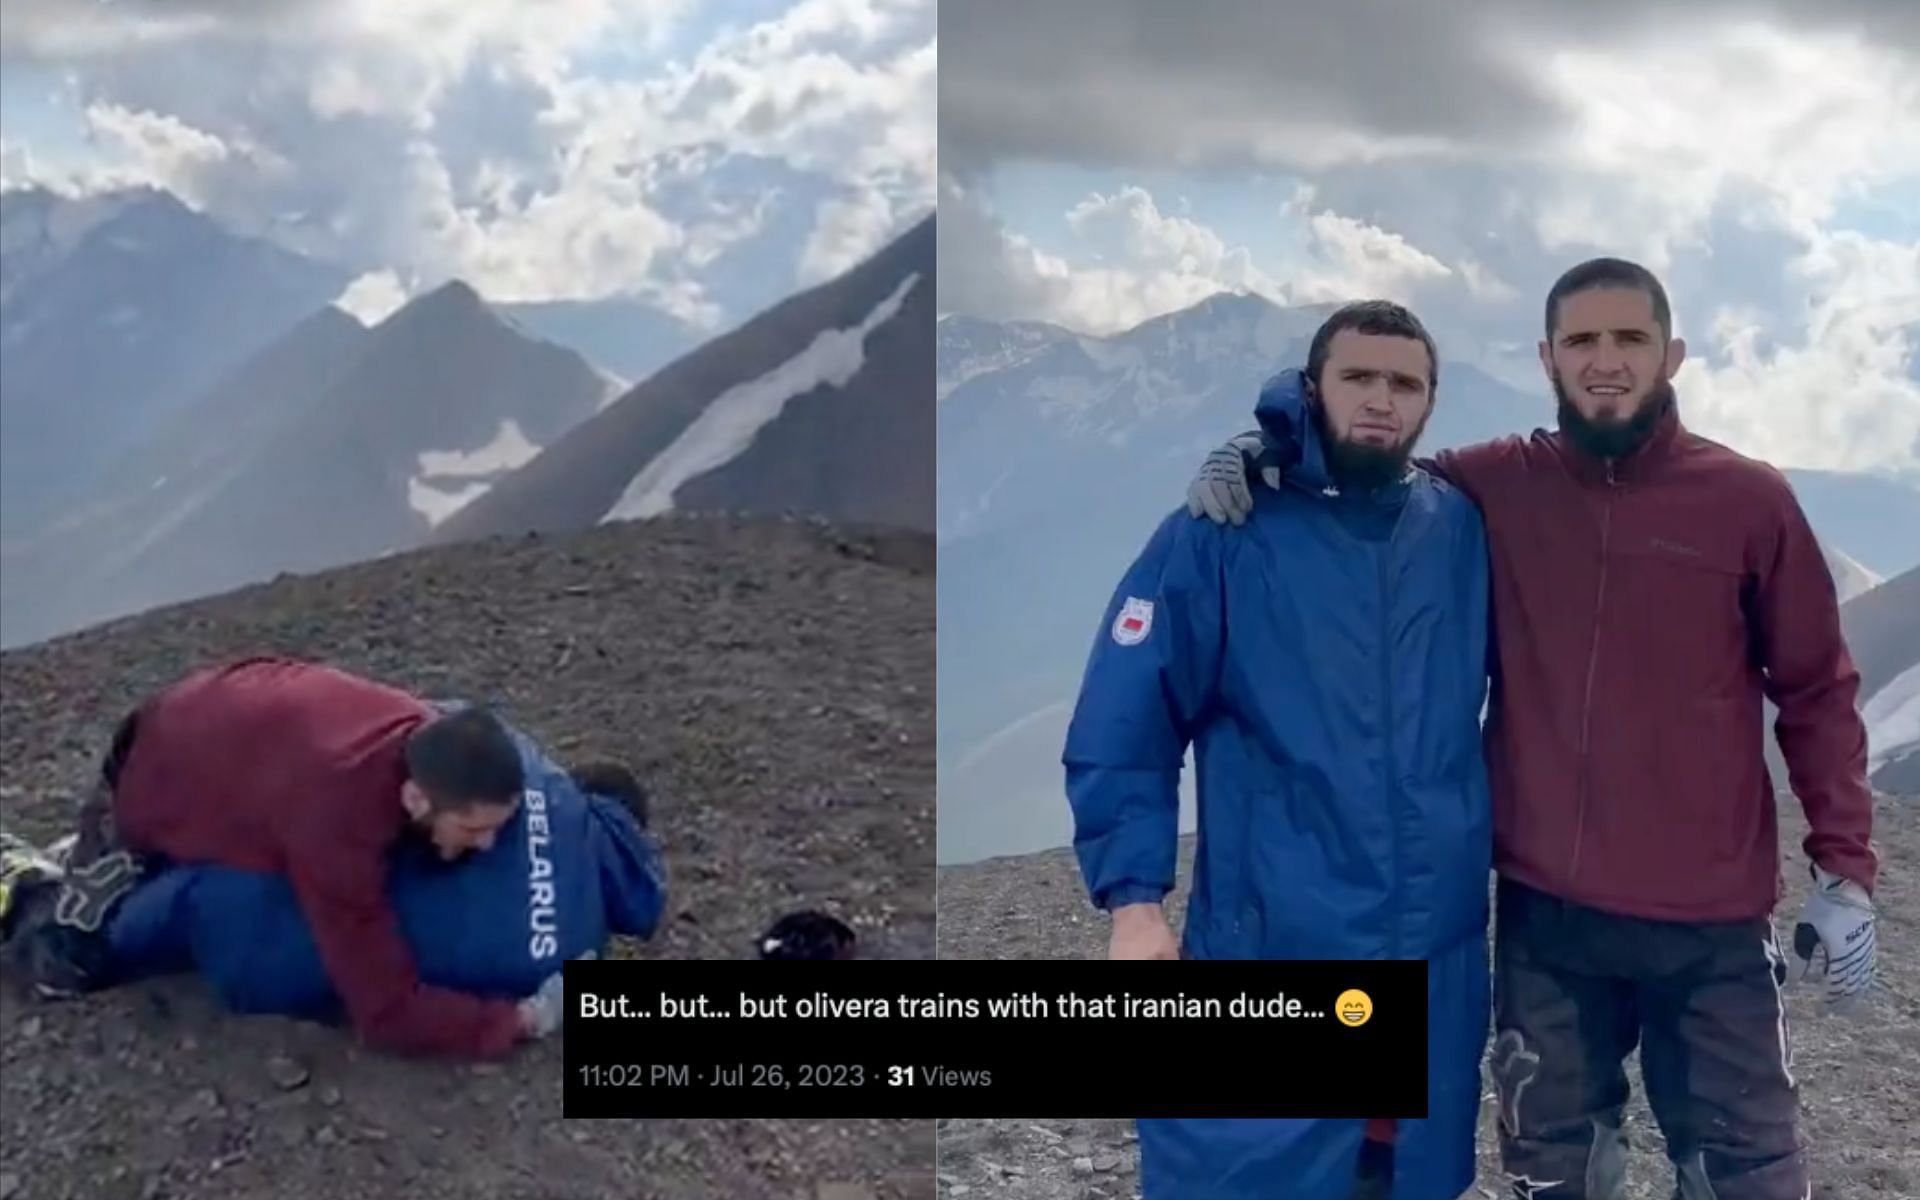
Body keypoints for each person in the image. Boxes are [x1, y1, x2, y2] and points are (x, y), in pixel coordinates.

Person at [1183, 259, 1879, 1200]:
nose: (1605, 361)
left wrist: (1844, 870)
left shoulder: (1749, 502)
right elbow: (1363, 469)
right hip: (1550, 917)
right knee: (1556, 1181)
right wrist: (1268, 440)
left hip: (1711, 921)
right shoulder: (1493, 484)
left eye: (1629, 339)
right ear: (1547, 357)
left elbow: (1816, 688)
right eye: (1582, 341)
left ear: (1671, 355)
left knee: (1746, 1176)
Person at [1065, 300, 1493, 1200]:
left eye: (1404, 382)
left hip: (1432, 955)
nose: (1381, 398)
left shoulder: (1460, 529)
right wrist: (1134, 903)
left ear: (1430, 403)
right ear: (1312, 388)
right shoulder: (1223, 530)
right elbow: (1125, 716)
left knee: (1400, 1177)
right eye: (1358, 377)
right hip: (1276, 941)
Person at [3, 657, 577, 1059]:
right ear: (414, 796)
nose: (488, 845)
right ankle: (25, 882)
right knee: (75, 961)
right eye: (474, 829)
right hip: (149, 770)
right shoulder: (338, 822)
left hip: (231, 736)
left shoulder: (424, 736)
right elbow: (385, 1013)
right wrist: (522, 1020)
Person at [70, 748, 667, 1020]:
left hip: (286, 841)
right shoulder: (581, 955)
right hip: (282, 952)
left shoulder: (522, 761)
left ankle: (104, 882)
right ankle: (75, 933)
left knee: (228, 874)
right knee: (211, 911)